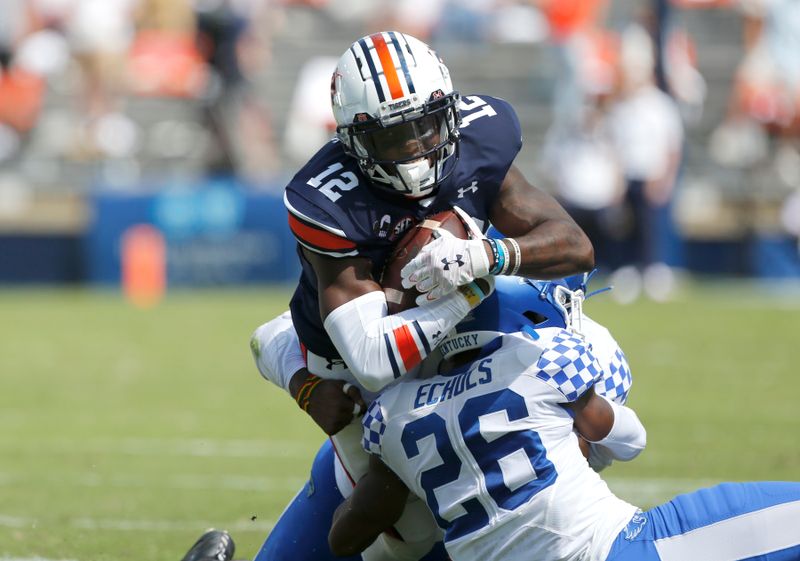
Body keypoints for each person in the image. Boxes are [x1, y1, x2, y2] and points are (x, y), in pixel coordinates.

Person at [254, 29, 593, 560]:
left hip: (439, 331)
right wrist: (465, 292)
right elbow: (369, 359)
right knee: (407, 530)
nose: (413, 153)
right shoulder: (326, 197)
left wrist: (491, 257)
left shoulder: (483, 136)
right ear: (352, 140)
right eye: (392, 139)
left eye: (424, 129)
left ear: (451, 112)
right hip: (351, 354)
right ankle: (284, 348)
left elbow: (576, 246)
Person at [328, 282, 800, 560]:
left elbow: (346, 535)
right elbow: (632, 441)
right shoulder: (541, 359)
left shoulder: (394, 414)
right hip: (616, 550)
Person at [249, 275, 633, 560]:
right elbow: (273, 335)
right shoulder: (406, 315)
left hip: (468, 527)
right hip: (361, 484)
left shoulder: (588, 354)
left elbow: (583, 462)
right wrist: (307, 388)